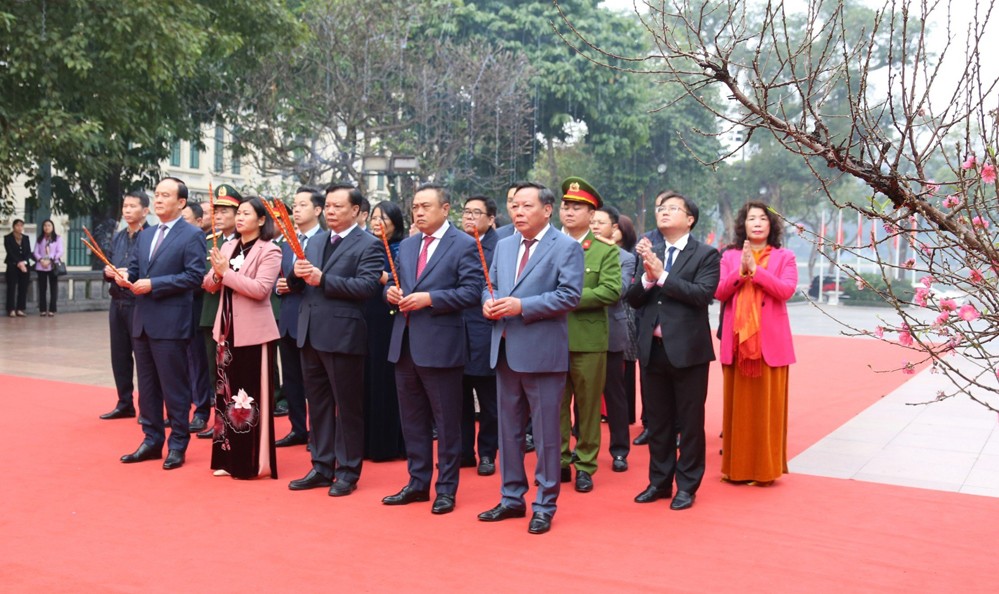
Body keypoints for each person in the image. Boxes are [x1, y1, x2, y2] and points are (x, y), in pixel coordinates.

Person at [477, 181, 583, 535]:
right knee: (508, 431)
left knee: (546, 433)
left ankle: (545, 503)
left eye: (526, 206)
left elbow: (569, 296)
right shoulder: (505, 246)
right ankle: (511, 498)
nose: (518, 213)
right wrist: (487, 302)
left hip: (542, 352)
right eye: (515, 207)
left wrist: (524, 306)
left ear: (547, 209)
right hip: (505, 347)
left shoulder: (566, 247)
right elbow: (488, 284)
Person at [382, 184, 482, 515]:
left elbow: (471, 292)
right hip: (405, 342)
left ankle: (446, 488)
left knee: (447, 421)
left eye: (426, 206)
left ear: (445, 209)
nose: (419, 212)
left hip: (442, 345)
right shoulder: (408, 246)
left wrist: (432, 299)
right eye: (414, 207)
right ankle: (417, 482)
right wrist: (393, 294)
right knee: (412, 420)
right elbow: (401, 285)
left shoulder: (464, 244)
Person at [286, 182, 383, 497]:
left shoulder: (368, 243)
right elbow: (299, 284)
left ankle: (348, 471)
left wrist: (323, 279)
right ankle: (321, 465)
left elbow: (367, 287)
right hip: (310, 332)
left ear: (355, 210)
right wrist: (296, 274)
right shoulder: (315, 242)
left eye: (337, 206)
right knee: (318, 404)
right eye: (327, 205)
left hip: (343, 335)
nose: (329, 211)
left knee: (347, 406)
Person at [626, 190, 720, 510]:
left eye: (673, 208)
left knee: (690, 422)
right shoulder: (652, 252)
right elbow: (633, 298)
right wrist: (649, 280)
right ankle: (659, 481)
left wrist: (661, 276)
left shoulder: (706, 254)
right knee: (659, 421)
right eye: (661, 208)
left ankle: (687, 485)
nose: (664, 212)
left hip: (689, 352)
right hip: (652, 349)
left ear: (690, 219)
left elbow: (702, 294)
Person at [116, 177, 206, 470]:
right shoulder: (146, 234)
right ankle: (151, 440)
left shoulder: (192, 235)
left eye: (165, 195)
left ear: (181, 202)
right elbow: (134, 270)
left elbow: (194, 278)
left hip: (171, 323)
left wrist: (154, 284)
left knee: (174, 388)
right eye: (156, 194)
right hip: (142, 322)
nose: (158, 200)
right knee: (148, 387)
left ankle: (178, 443)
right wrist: (120, 276)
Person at [715, 201, 797, 485]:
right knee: (738, 411)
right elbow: (719, 291)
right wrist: (741, 271)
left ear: (772, 225)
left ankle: (765, 471)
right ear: (743, 225)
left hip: (769, 345)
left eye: (763, 218)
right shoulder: (730, 256)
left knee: (766, 411)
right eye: (752, 218)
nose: (758, 222)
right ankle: (736, 470)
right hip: (738, 345)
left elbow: (785, 290)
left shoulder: (784, 256)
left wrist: (756, 271)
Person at [202, 197, 283, 479]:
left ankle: (250, 462)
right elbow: (210, 284)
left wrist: (226, 273)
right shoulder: (227, 245)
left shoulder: (270, 251)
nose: (239, 218)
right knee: (225, 395)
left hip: (254, 333)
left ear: (262, 220)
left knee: (248, 399)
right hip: (225, 331)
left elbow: (261, 290)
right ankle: (227, 458)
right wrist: (215, 273)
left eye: (246, 213)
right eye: (238, 213)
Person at [557, 177, 621, 493]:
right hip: (551, 339)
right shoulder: (549, 246)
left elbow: (610, 290)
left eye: (577, 207)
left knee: (588, 406)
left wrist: (565, 297)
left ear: (591, 213)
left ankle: (585, 464)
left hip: (588, 340)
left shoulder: (603, 252)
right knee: (554, 405)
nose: (569, 212)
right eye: (565, 206)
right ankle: (560, 461)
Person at [274, 186, 325, 448]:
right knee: (291, 379)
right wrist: (279, 286)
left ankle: (319, 433)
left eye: (303, 204)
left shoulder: (326, 241)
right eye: (294, 204)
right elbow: (276, 278)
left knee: (315, 382)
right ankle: (297, 428)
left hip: (315, 320)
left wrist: (295, 284)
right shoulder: (285, 243)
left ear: (318, 210)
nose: (296, 209)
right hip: (289, 318)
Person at [591, 205, 637, 472]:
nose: (595, 226)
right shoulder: (575, 251)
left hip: (609, 330)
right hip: (577, 331)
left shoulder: (624, 257)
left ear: (614, 228)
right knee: (580, 394)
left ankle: (620, 450)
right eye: (592, 221)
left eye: (601, 222)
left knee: (614, 393)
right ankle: (580, 446)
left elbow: (618, 291)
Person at [195, 185, 242, 438]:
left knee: (235, 370)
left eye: (226, 210)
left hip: (237, 314)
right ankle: (219, 422)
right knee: (216, 373)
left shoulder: (245, 241)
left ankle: (237, 419)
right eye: (217, 211)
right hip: (211, 311)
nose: (219, 215)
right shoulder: (210, 241)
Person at [362, 200, 407, 461]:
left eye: (384, 218)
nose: (377, 222)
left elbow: (398, 281)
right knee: (365, 378)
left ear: (395, 223)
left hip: (388, 318)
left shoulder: (401, 248)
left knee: (385, 379)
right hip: (365, 315)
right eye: (374, 217)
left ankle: (387, 443)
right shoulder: (368, 245)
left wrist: (382, 276)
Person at [100, 190, 150, 419]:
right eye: (125, 206)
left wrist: (130, 274)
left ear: (145, 211)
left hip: (139, 304)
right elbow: (107, 262)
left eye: (132, 206)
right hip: (117, 301)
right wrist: (108, 271)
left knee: (143, 357)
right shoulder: (119, 236)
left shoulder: (150, 236)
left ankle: (148, 406)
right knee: (119, 355)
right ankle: (124, 402)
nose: (127, 210)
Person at [460, 196, 500, 475]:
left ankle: (487, 452)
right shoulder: (456, 243)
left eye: (477, 213)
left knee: (489, 400)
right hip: (454, 331)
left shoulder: (500, 247)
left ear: (491, 219)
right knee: (457, 397)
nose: (470, 217)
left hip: (485, 330)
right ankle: (462, 451)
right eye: (466, 212)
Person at [33, 219, 64, 316]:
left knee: (53, 288)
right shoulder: (40, 239)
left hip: (53, 265)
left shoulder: (57, 238)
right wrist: (41, 260)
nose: (47, 227)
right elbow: (35, 252)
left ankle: (52, 309)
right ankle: (42, 309)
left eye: (49, 225)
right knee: (42, 288)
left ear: (52, 227)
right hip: (41, 266)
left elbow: (60, 251)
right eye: (45, 225)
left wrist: (50, 259)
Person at [4, 219, 32, 317]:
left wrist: (24, 262)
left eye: (21, 226)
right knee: (11, 287)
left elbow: (28, 252)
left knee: (23, 287)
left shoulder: (26, 238)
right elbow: (10, 252)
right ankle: (11, 309)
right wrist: (19, 263)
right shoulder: (8, 238)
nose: (19, 228)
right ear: (13, 226)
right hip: (12, 265)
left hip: (25, 266)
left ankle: (20, 308)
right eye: (17, 225)